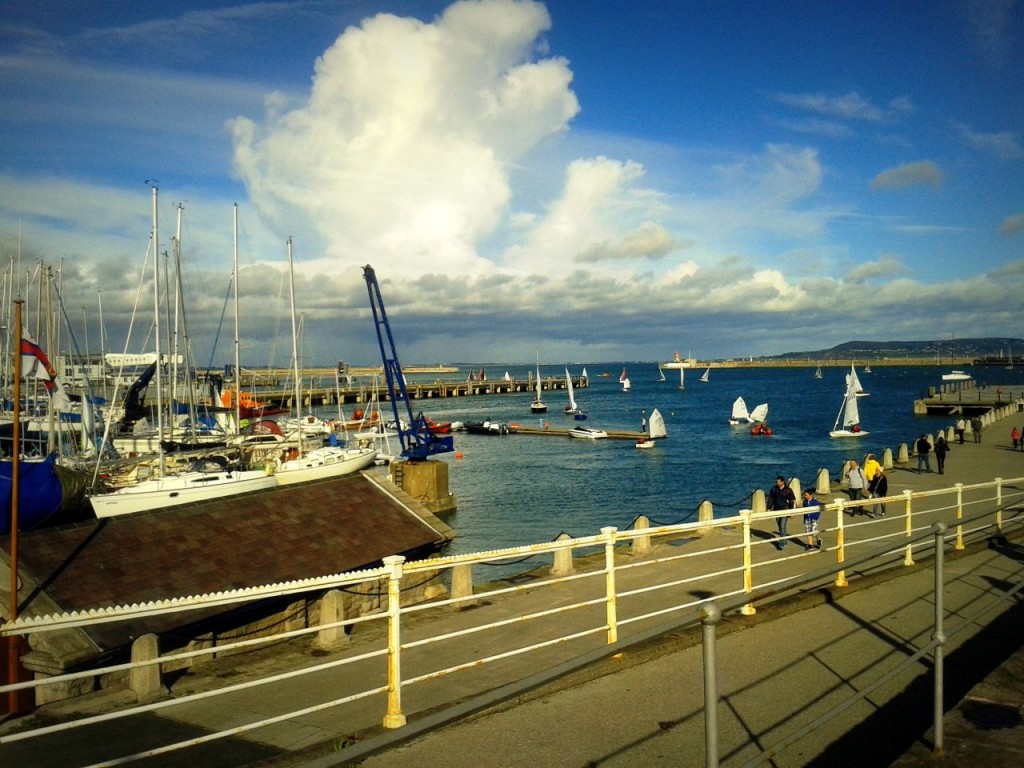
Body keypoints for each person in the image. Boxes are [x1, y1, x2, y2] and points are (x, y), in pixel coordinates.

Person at [767, 475, 796, 550]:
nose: (777, 483)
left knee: (782, 525)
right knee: (780, 526)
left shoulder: (788, 490)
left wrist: (792, 512)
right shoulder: (774, 489)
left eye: (779, 482)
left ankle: (782, 543)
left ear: (783, 482)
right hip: (776, 510)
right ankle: (785, 540)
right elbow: (770, 498)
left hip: (785, 510)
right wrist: (769, 508)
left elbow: (792, 501)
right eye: (777, 482)